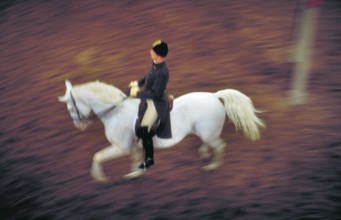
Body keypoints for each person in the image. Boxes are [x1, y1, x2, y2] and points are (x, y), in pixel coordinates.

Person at [129, 39, 171, 169]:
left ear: (158, 55)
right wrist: (138, 83)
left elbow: (155, 94)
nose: (150, 51)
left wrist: (137, 94)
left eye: (152, 50)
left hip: (157, 103)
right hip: (149, 96)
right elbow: (148, 76)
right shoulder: (155, 64)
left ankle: (149, 158)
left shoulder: (162, 72)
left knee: (144, 129)